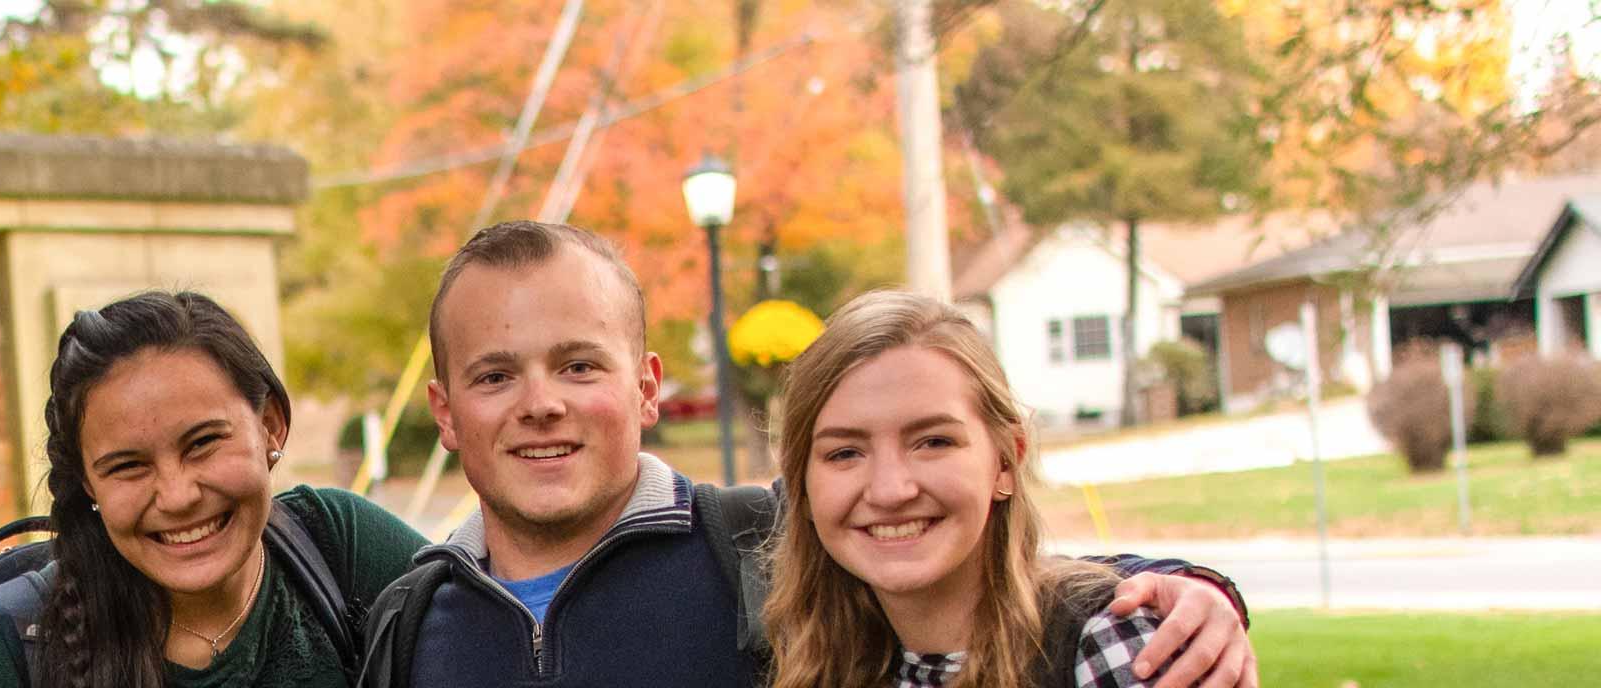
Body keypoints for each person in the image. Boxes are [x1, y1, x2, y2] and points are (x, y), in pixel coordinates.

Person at [356, 222, 1256, 688]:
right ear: (444, 410)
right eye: (495, 375)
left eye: (580, 364)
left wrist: (1180, 590)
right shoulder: (409, 623)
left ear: (646, 386)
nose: (541, 402)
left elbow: (970, 562)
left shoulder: (762, 546)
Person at [0, 291, 433, 688]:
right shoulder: (6, 653)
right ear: (88, 482)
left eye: (202, 444)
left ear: (270, 426)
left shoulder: (341, 546)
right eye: (128, 467)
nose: (177, 496)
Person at [766, 290, 1197, 687]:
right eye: (844, 453)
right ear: (802, 486)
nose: (890, 490)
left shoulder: (1109, 644)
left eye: (934, 442)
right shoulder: (813, 660)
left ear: (1006, 461)